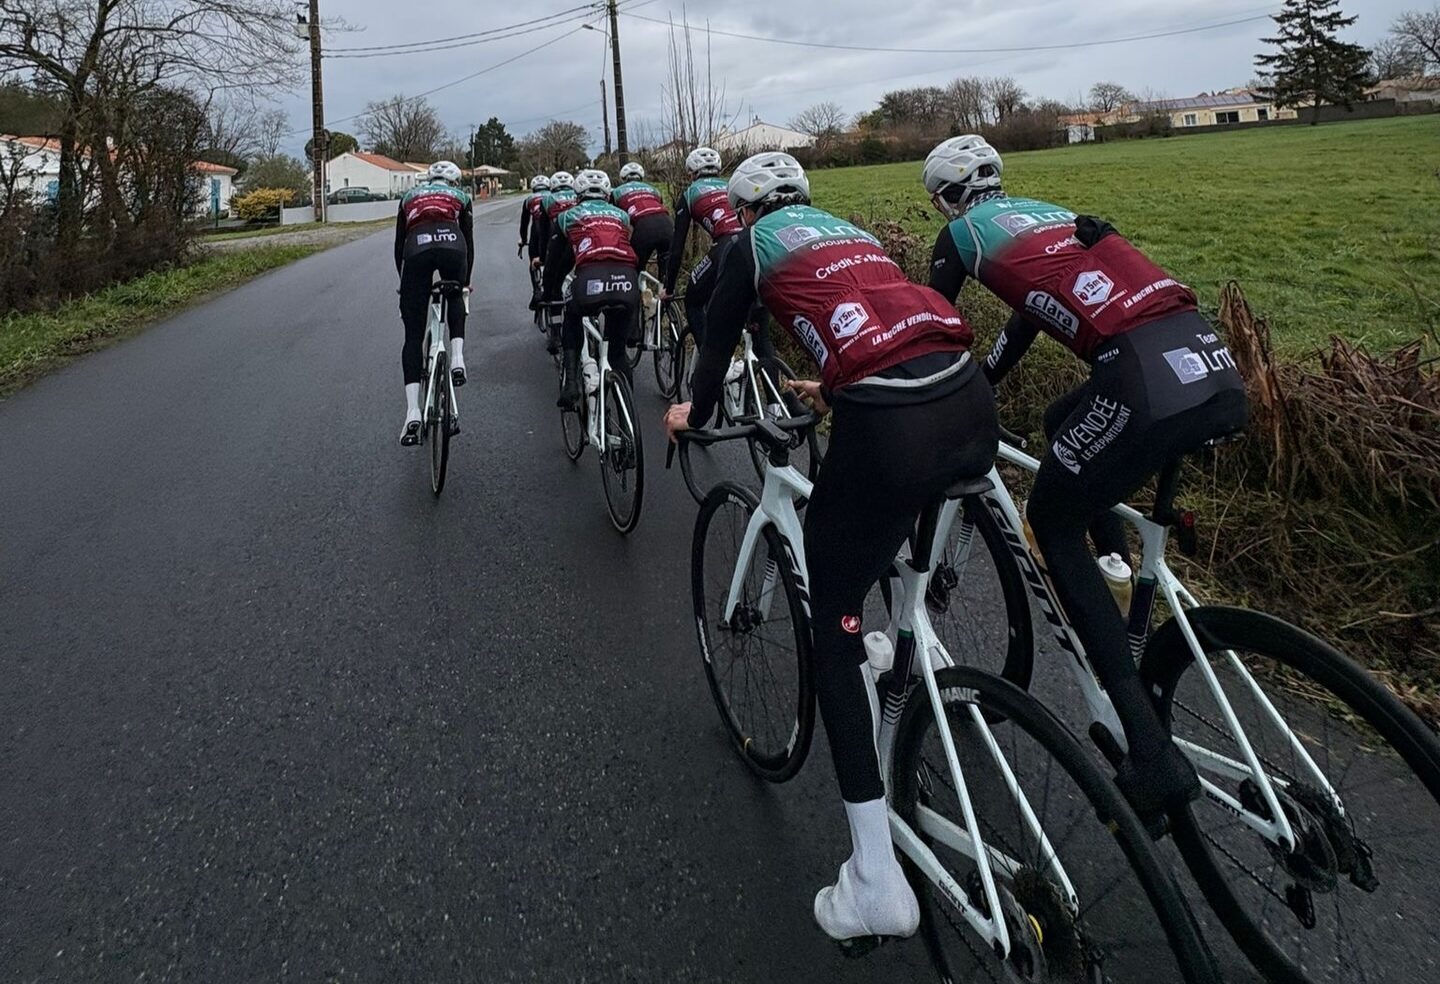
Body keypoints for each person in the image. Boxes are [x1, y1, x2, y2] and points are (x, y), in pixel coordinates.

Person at [664, 152, 998, 945]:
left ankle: (875, 881)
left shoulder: (750, 246)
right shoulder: (844, 230)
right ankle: (912, 645)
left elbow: (714, 346)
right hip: (966, 397)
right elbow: (881, 317)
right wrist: (835, 383)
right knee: (885, 525)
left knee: (833, 619)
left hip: (890, 421)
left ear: (741, 213)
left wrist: (690, 413)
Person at [922, 134, 1249, 818]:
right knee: (1060, 421)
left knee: (1050, 518)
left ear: (946, 198)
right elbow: (1028, 320)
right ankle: (1117, 563)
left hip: (1141, 381)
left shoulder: (961, 236)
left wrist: (946, 401)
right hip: (1208, 364)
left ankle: (1149, 751)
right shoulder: (1044, 214)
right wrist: (985, 381)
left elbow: (929, 334)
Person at [394, 160, 473, 446]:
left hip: (417, 249)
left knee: (413, 336)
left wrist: (405, 287)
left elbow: (399, 247)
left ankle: (412, 412)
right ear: (454, 182)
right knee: (454, 294)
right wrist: (465, 283)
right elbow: (469, 242)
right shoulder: (461, 197)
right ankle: (457, 358)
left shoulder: (409, 197)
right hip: (453, 245)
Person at [551, 169, 639, 410]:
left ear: (577, 195)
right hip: (628, 280)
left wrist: (549, 293)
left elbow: (555, 262)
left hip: (589, 279)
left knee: (572, 314)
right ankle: (627, 413)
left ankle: (570, 383)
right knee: (617, 354)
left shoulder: (568, 216)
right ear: (607, 194)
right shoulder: (621, 216)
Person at [662, 147, 742, 346]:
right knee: (758, 327)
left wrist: (669, 288)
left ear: (692, 174)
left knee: (693, 302)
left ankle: (711, 363)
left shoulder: (690, 194)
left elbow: (677, 248)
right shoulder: (731, 186)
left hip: (725, 246)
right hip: (753, 242)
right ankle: (768, 374)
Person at [534, 171, 580, 332]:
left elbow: (542, 232)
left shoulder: (547, 200)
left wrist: (541, 256)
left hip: (561, 245)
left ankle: (555, 326)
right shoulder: (578, 197)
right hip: (582, 245)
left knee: (554, 285)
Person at [612, 161, 673, 275]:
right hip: (667, 223)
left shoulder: (617, 192)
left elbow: (615, 219)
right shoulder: (654, 189)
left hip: (644, 226)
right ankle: (664, 288)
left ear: (623, 178)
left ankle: (638, 289)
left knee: (634, 267)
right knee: (666, 266)